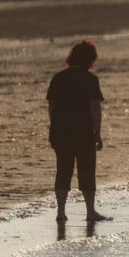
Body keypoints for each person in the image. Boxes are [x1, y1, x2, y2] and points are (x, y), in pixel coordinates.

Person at [47, 39, 109, 222]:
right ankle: (90, 212)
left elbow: (51, 106)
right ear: (90, 60)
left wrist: (56, 126)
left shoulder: (58, 78)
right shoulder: (90, 79)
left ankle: (60, 212)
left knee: (63, 170)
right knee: (87, 172)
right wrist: (98, 134)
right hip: (83, 132)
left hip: (60, 132)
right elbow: (95, 108)